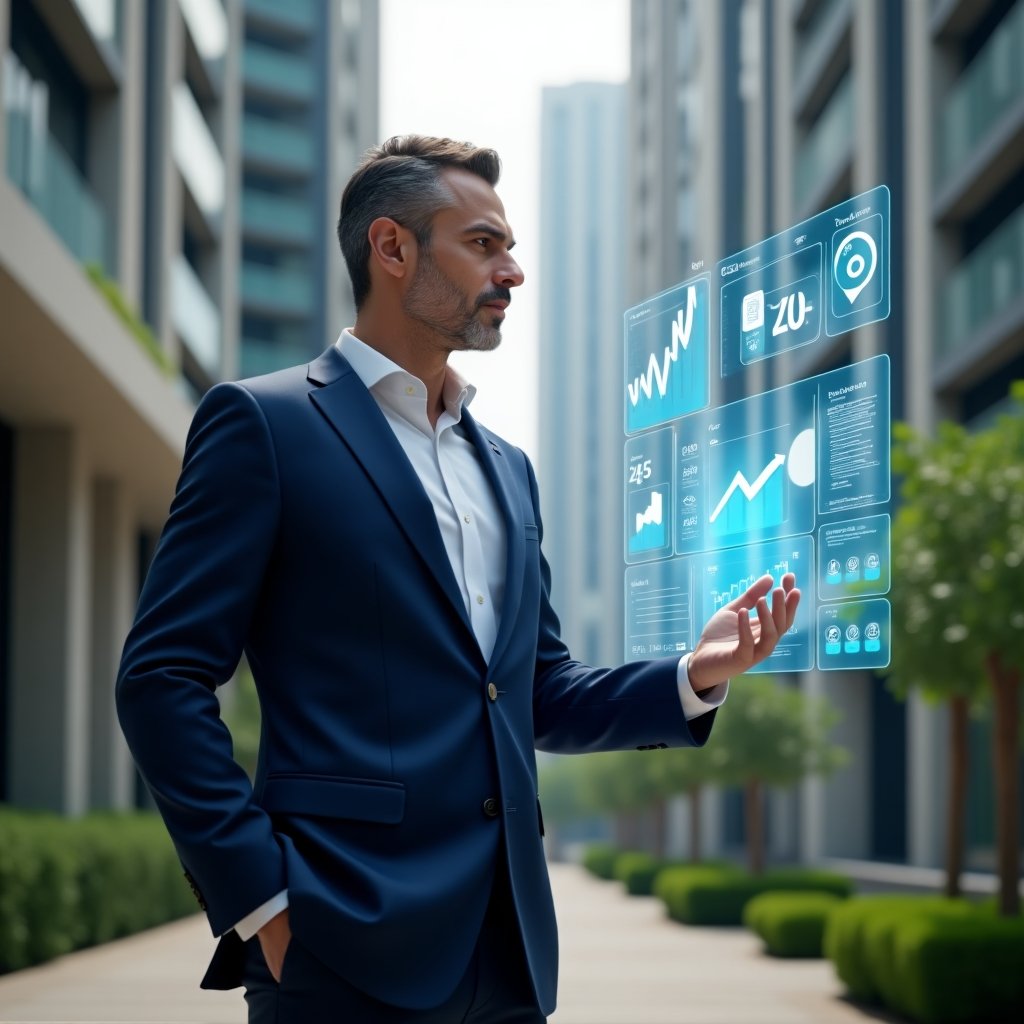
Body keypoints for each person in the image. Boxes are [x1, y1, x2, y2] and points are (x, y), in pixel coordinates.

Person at [116, 135, 800, 1023]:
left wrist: (694, 676)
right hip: (339, 944)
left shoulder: (508, 467)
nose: (512, 271)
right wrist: (263, 905)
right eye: (484, 244)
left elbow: (536, 692)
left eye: (510, 247)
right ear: (392, 249)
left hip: (508, 952)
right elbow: (161, 679)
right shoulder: (264, 425)